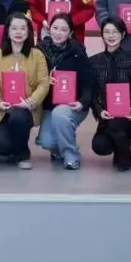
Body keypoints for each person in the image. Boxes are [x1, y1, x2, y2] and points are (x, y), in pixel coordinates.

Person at [0, 12, 50, 169]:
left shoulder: (37, 55)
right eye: (14, 28)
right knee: (2, 146)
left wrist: (30, 102)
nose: (18, 32)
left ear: (28, 32)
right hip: (1, 109)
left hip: (25, 108)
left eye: (22, 28)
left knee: (19, 118)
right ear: (7, 31)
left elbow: (43, 83)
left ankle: (22, 155)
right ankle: (6, 145)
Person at [36, 13, 94, 170]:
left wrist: (82, 102)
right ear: (49, 29)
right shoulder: (39, 50)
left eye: (63, 29)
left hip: (73, 104)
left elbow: (88, 83)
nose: (58, 33)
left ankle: (71, 156)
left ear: (70, 33)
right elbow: (30, 78)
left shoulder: (78, 52)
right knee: (46, 142)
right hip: (49, 106)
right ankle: (59, 149)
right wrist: (44, 80)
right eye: (55, 28)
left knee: (60, 114)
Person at [89, 17, 131, 171]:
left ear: (123, 35)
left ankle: (124, 157)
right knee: (100, 146)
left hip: (130, 116)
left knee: (117, 125)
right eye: (107, 32)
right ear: (102, 34)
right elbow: (93, 93)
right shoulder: (94, 62)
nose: (111, 36)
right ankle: (121, 146)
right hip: (107, 117)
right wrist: (100, 111)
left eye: (115, 32)